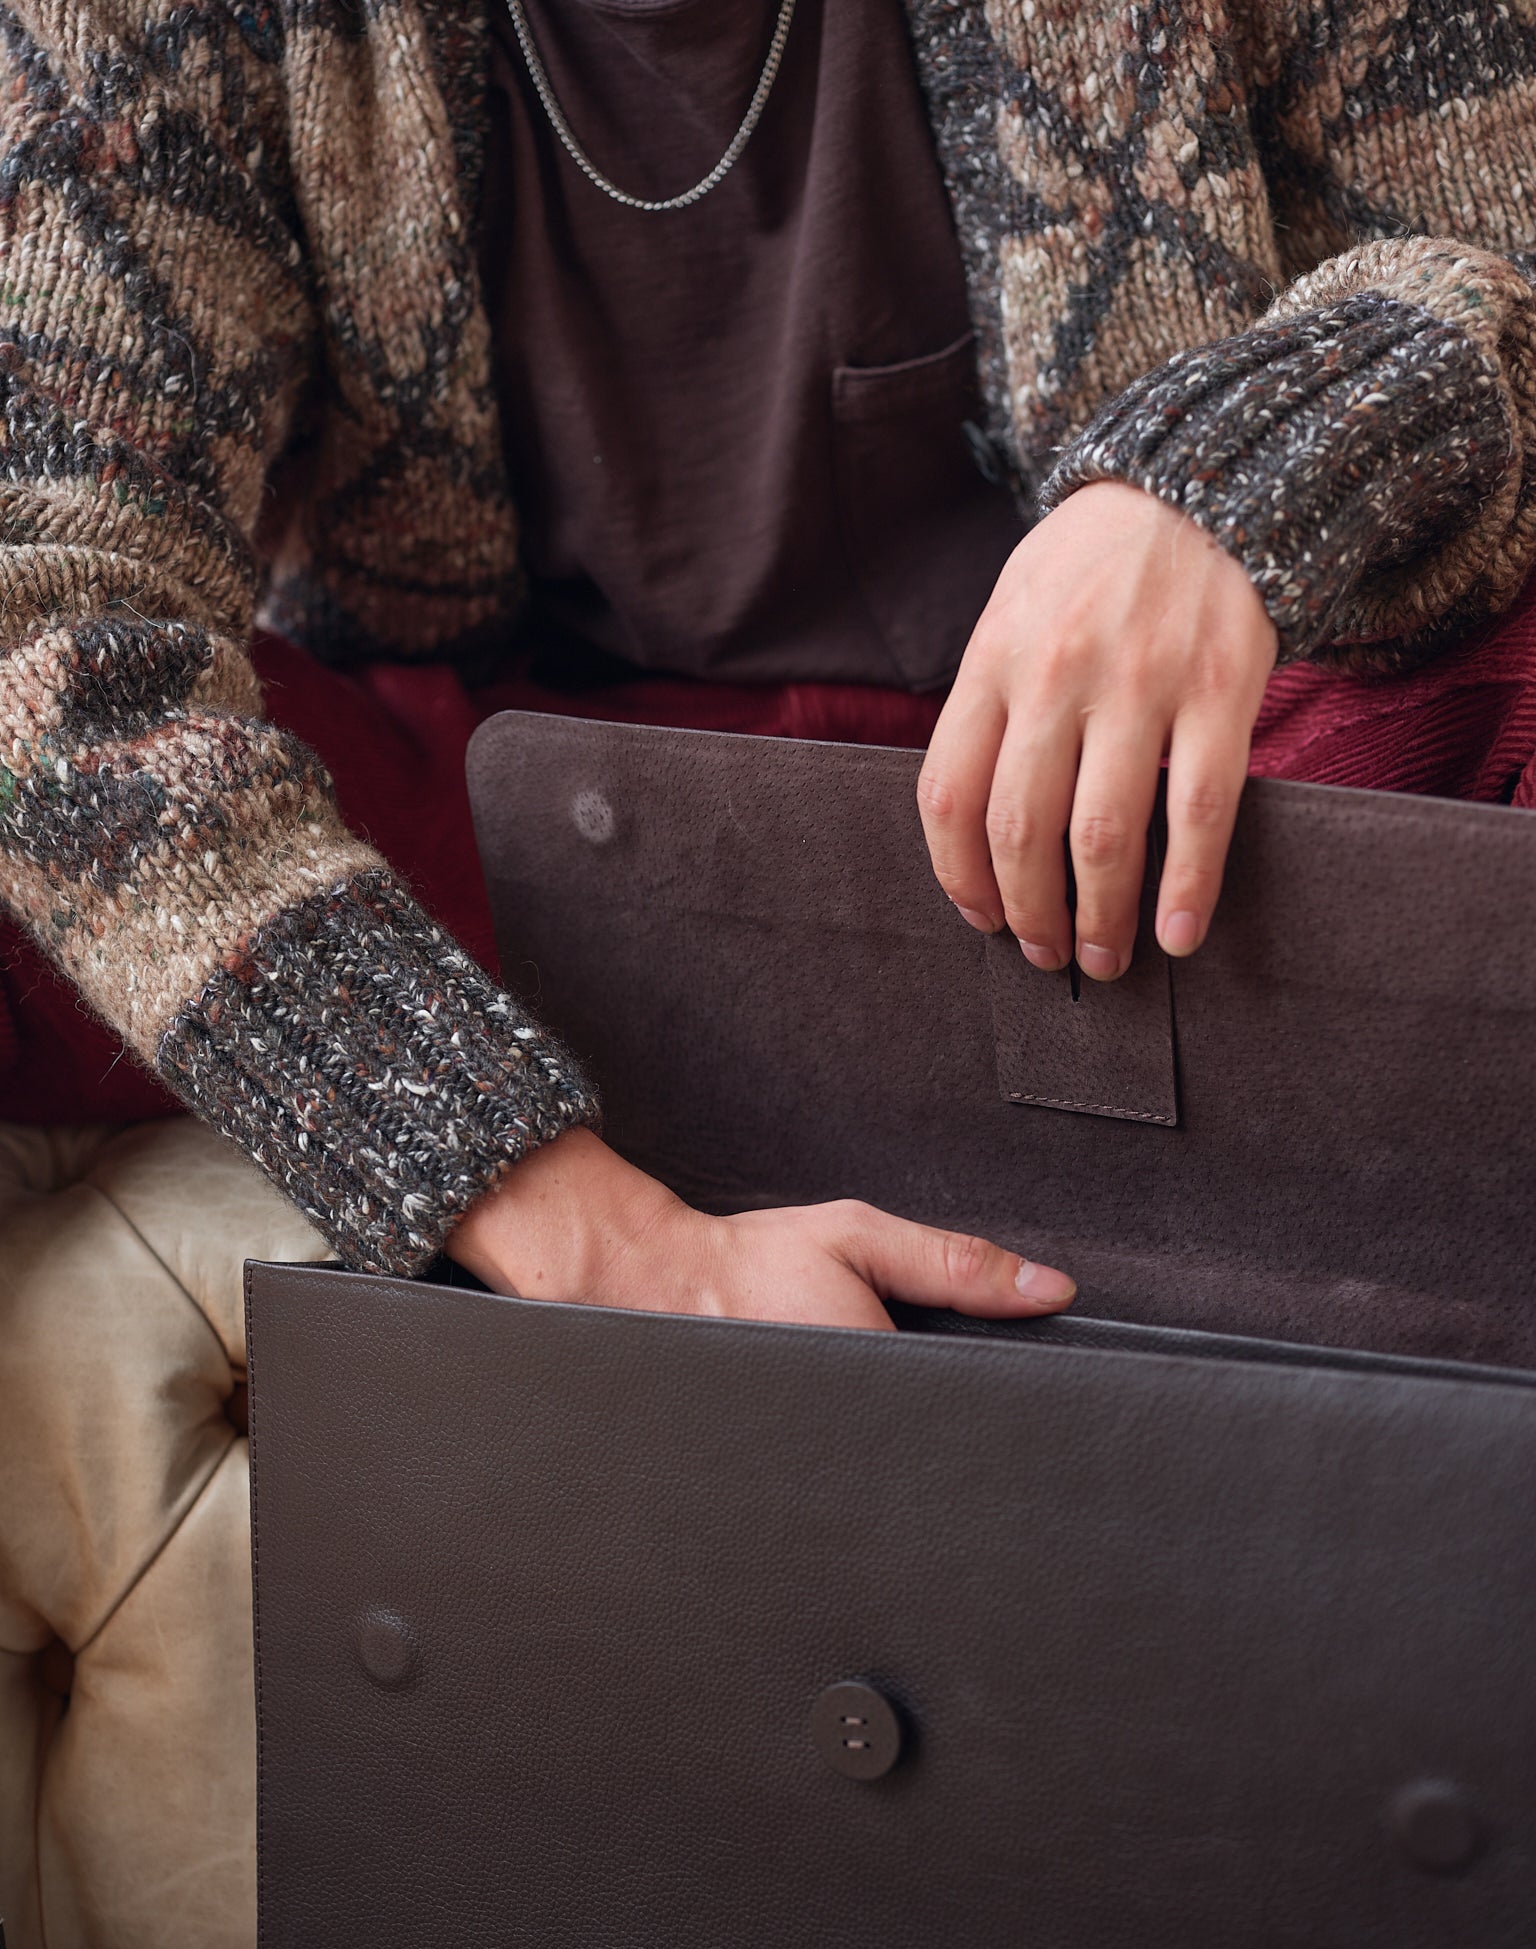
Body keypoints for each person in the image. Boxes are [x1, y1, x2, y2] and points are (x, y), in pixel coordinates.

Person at [0, 0, 1531, 1330]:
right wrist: (582, 1230)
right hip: (519, 833)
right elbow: (48, 599)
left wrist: (1234, 473)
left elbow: (1508, 260)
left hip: (1174, 782)